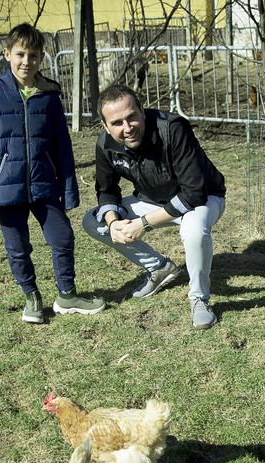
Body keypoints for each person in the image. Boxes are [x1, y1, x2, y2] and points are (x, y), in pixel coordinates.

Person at [0, 23, 104, 323]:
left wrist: (68, 189)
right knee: (17, 248)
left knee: (63, 238)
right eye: (20, 54)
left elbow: (62, 147)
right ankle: (31, 297)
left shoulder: (49, 96)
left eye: (32, 55)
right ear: (7, 54)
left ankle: (67, 295)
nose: (26, 62)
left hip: (45, 186)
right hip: (7, 191)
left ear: (41, 58)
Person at [82, 85, 226, 330]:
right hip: (151, 200)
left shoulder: (172, 128)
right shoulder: (105, 144)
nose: (127, 128)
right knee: (92, 221)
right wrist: (113, 222)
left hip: (203, 199)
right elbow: (107, 190)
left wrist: (143, 223)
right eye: (117, 123)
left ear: (142, 110)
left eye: (132, 117)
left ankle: (199, 299)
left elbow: (193, 194)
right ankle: (159, 268)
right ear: (105, 126)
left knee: (192, 230)